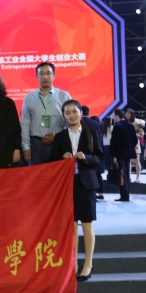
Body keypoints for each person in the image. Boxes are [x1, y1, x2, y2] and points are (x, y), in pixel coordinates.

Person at [50, 100, 103, 282]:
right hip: (67, 185)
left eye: (74, 111)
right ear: (63, 116)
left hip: (86, 184)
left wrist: (85, 157)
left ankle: (88, 264)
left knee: (87, 224)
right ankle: (72, 264)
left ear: (81, 112)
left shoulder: (92, 132)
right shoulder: (60, 137)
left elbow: (99, 158)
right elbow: (52, 161)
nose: (71, 115)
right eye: (67, 113)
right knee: (71, 227)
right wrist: (61, 158)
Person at [21, 62, 72, 165]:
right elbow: (25, 123)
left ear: (54, 75)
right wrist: (26, 146)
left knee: (58, 173)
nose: (45, 77)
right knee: (38, 174)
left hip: (58, 144)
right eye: (41, 74)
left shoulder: (64, 96)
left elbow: (70, 122)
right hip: (36, 145)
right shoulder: (29, 98)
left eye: (48, 73)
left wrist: (57, 137)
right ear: (37, 76)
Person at [110, 109, 137, 202]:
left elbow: (115, 143)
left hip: (120, 154)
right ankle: (126, 194)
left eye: (113, 115)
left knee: (122, 174)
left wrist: (114, 155)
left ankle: (124, 195)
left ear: (117, 115)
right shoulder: (130, 126)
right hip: (128, 153)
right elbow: (135, 140)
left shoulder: (117, 126)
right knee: (126, 174)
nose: (113, 117)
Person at [82, 107, 105, 200]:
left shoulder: (80, 123)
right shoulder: (95, 125)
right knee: (97, 175)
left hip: (85, 156)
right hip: (96, 154)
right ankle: (99, 193)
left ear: (80, 112)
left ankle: (94, 194)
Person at [125, 109, 145, 183]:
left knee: (137, 161)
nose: (127, 115)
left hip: (135, 144)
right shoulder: (125, 123)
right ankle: (128, 176)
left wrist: (137, 135)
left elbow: (141, 133)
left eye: (128, 113)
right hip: (127, 144)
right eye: (126, 113)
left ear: (132, 114)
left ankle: (138, 177)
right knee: (128, 161)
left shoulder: (136, 122)